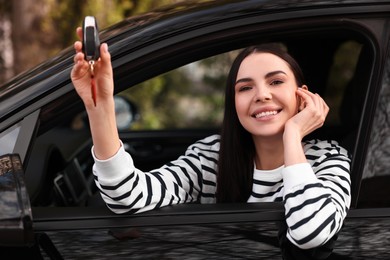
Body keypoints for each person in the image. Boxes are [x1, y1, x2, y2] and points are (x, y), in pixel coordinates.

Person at [71, 27, 351, 253]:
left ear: (302, 95)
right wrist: (102, 106)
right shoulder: (212, 156)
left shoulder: (329, 159)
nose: (261, 95)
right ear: (234, 103)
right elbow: (128, 199)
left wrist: (293, 136)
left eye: (276, 82)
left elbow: (311, 233)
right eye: (245, 88)